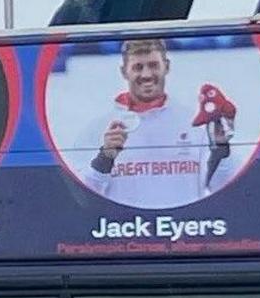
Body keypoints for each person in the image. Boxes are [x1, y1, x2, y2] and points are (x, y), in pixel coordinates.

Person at [69, 36, 239, 209]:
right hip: (123, 233)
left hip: (184, 231)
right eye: (138, 67)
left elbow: (225, 189)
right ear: (124, 71)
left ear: (166, 66)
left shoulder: (196, 123)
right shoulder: (99, 129)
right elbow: (80, 199)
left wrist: (221, 148)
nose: (146, 75)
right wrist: (105, 157)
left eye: (153, 65)